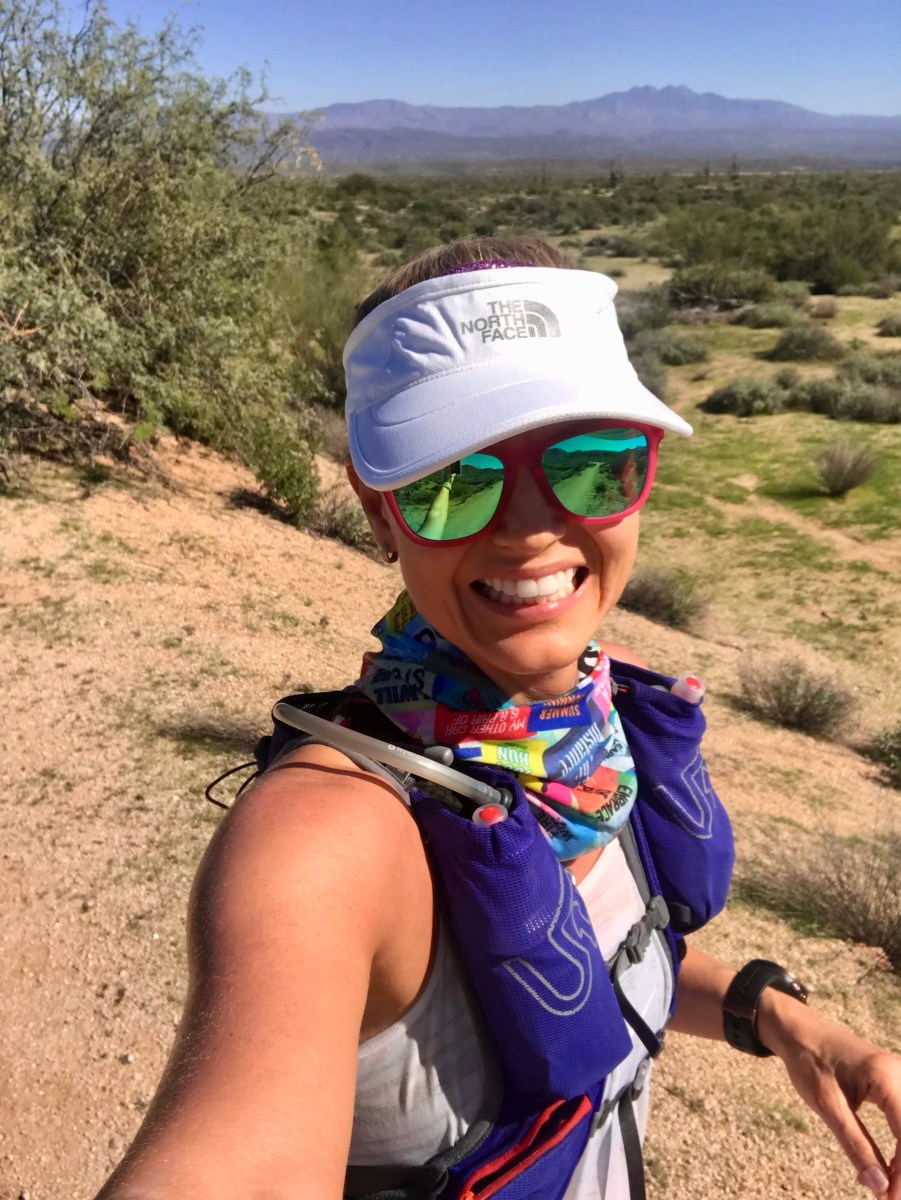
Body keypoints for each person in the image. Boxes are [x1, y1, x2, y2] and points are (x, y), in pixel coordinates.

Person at [96, 237, 901, 1200]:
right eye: (450, 482)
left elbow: (589, 954)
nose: (529, 528)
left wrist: (770, 1013)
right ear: (378, 511)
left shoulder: (591, 722)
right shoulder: (326, 838)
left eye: (591, 466)